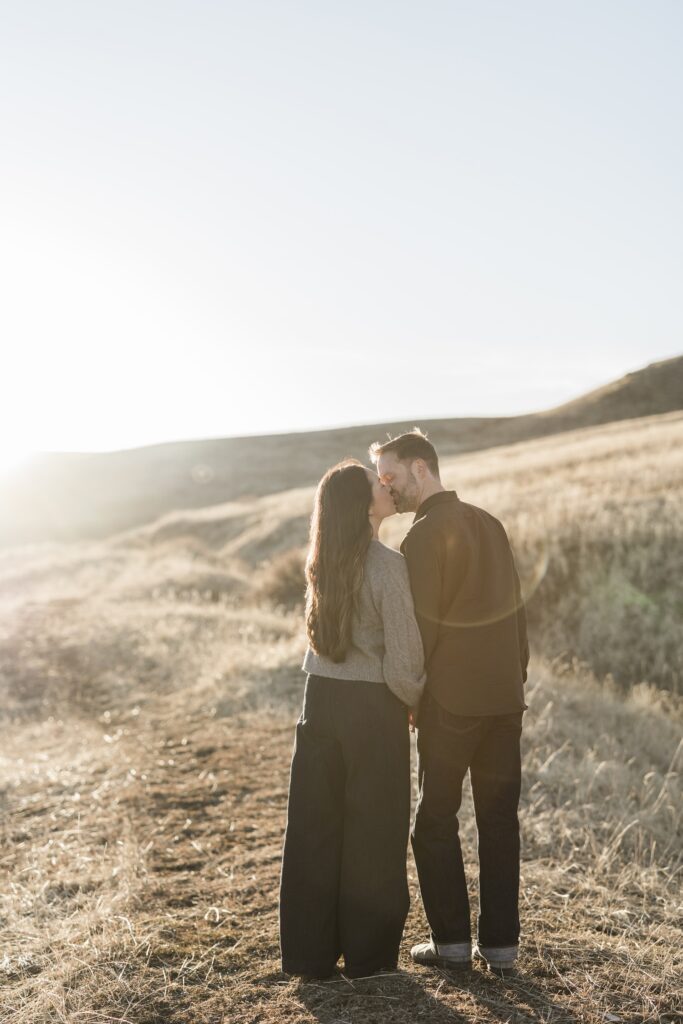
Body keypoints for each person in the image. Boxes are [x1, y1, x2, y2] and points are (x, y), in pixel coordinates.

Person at [371, 429, 529, 973]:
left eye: (389, 475)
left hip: (451, 704)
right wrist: (517, 680)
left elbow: (422, 633)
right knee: (499, 821)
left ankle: (454, 946)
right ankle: (503, 949)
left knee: (434, 820)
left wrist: (414, 698)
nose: (385, 487)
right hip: (505, 700)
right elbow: (517, 614)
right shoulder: (490, 523)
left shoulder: (420, 538)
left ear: (420, 469)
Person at [279, 458, 426, 979]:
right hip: (371, 707)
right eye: (376, 482)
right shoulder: (387, 564)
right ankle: (367, 959)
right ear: (363, 504)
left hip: (318, 699)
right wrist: (415, 701)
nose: (385, 485)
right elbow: (405, 657)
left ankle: (308, 954)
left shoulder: (321, 559)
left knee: (315, 827)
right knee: (375, 829)